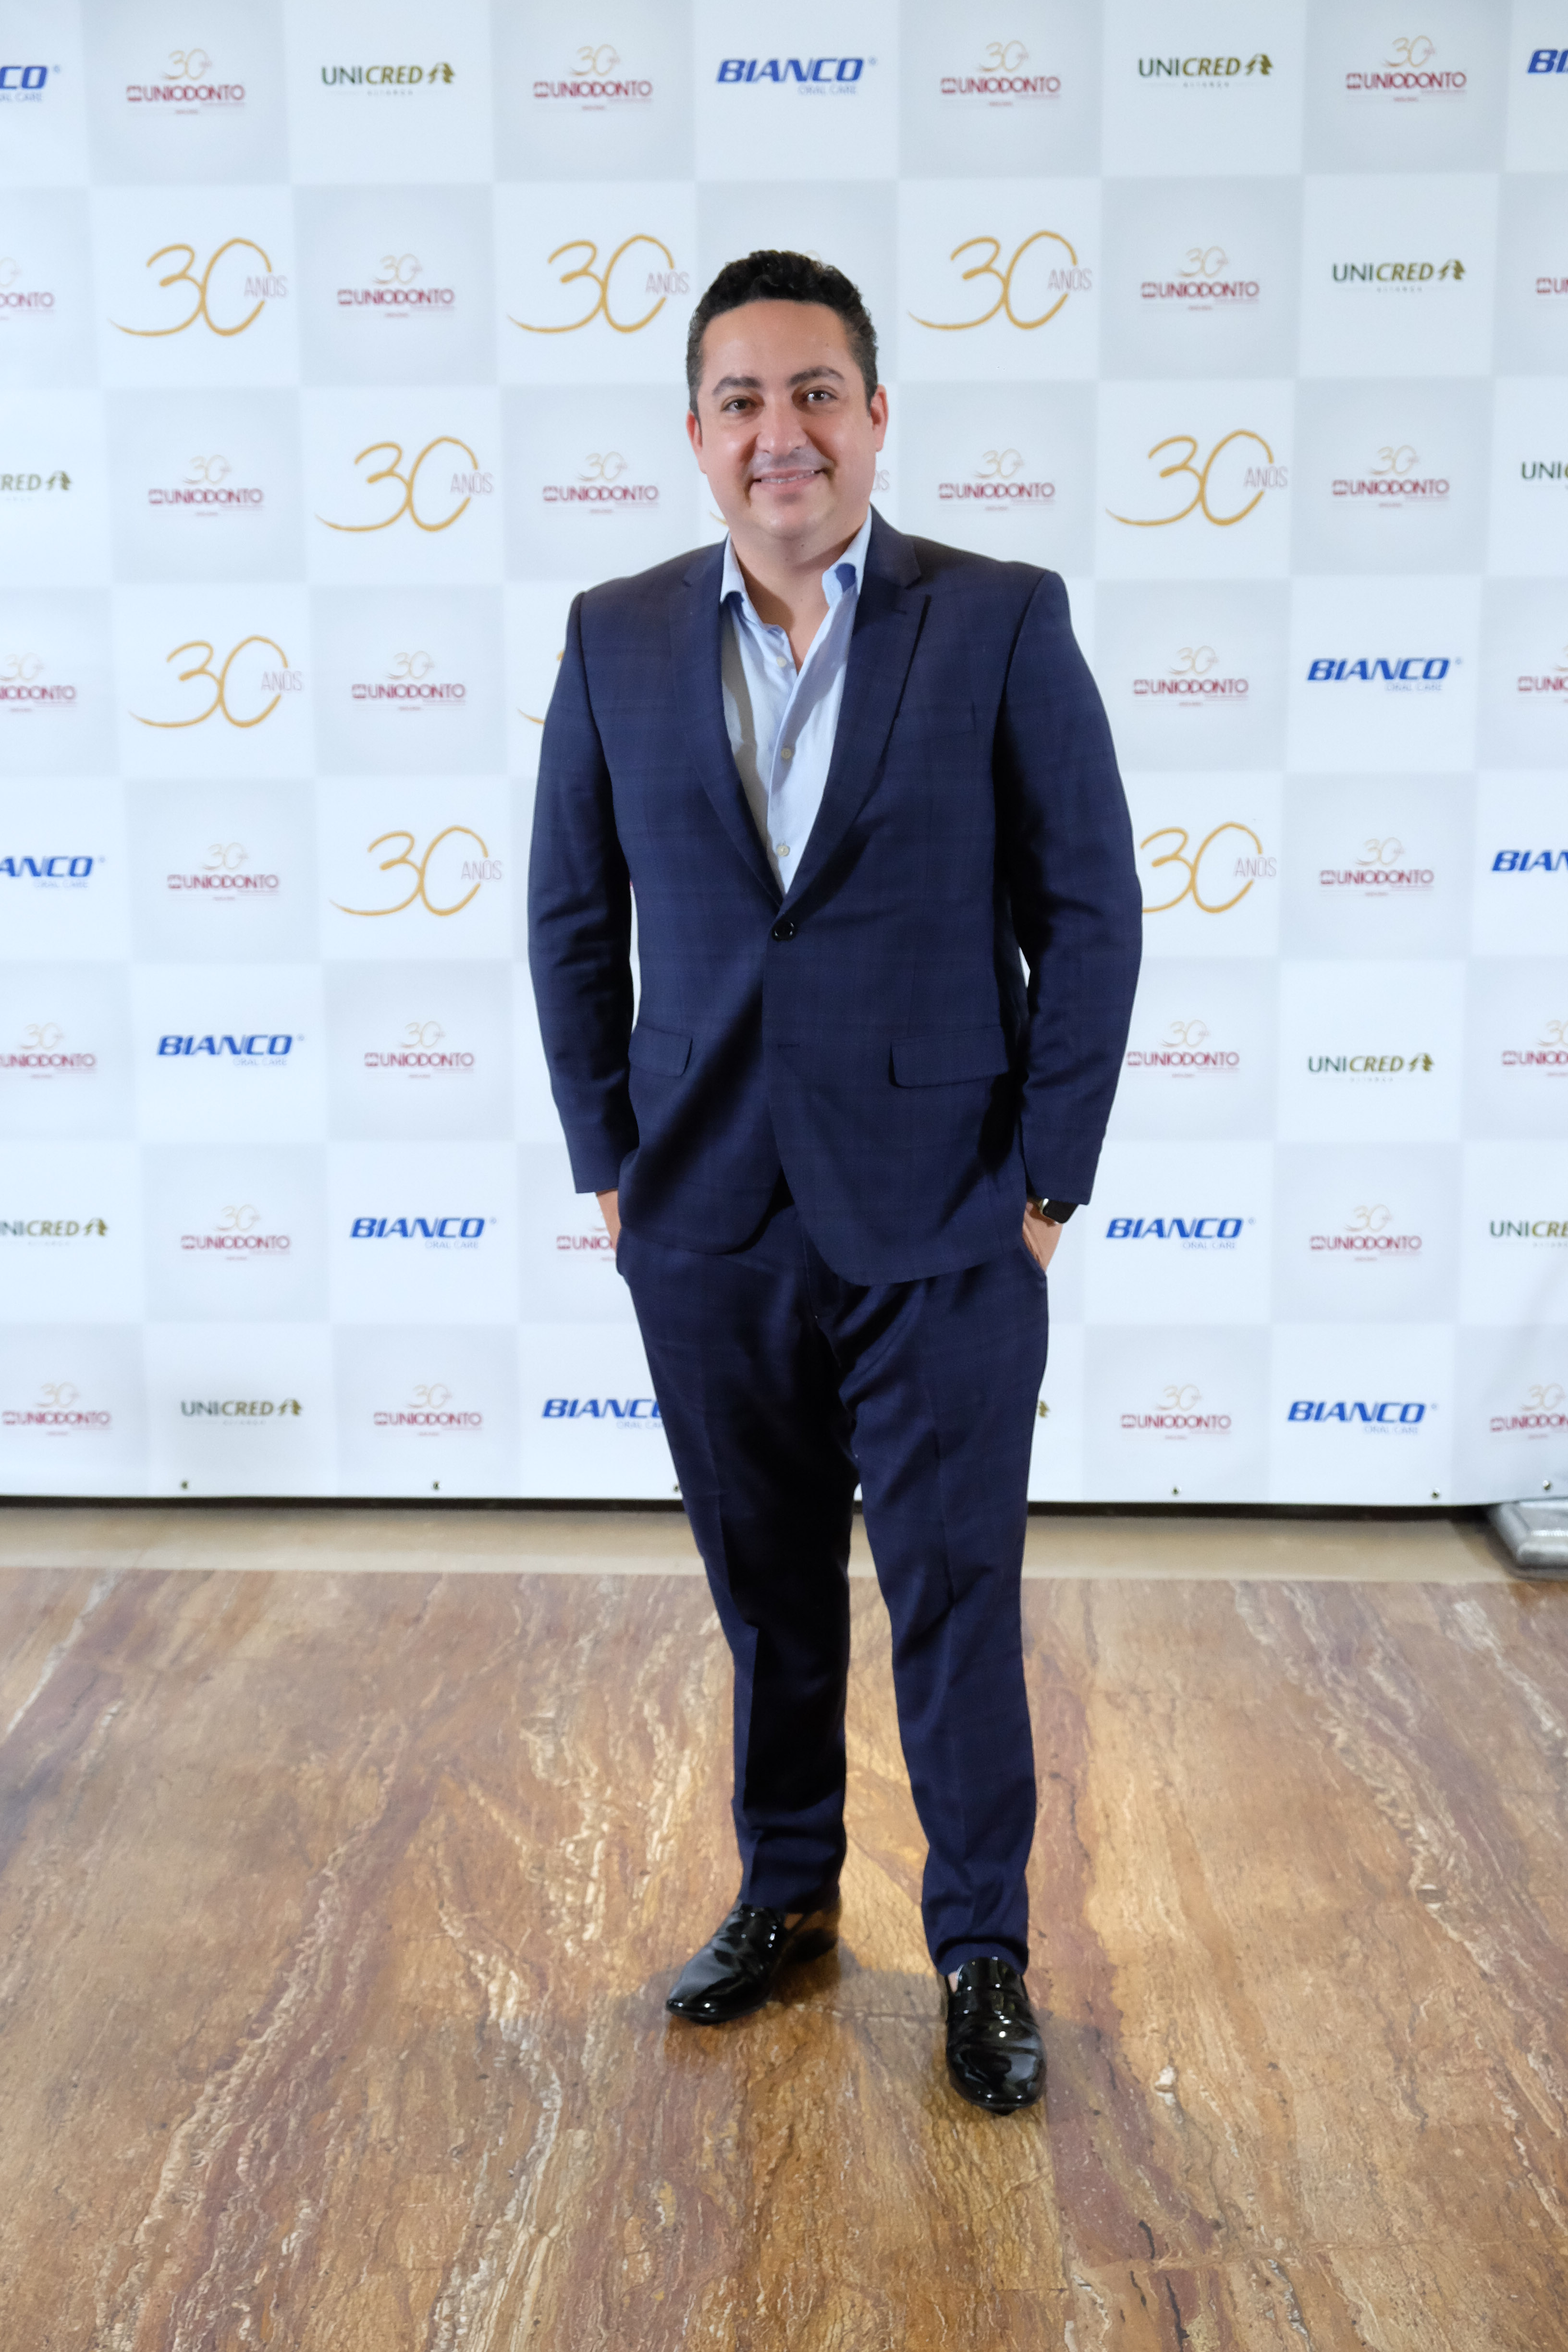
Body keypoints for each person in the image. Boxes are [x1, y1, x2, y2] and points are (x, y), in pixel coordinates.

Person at [528, 251, 1141, 2114]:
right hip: (705, 1216)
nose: (777, 432)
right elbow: (573, 920)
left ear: (875, 416)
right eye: (741, 399)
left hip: (946, 1214)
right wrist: (609, 1167)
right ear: (696, 434)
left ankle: (982, 1950)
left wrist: (1046, 1185)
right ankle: (788, 1898)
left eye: (814, 393)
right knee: (768, 1592)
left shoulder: (1001, 618)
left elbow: (1090, 909)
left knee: (955, 1596)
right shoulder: (613, 634)